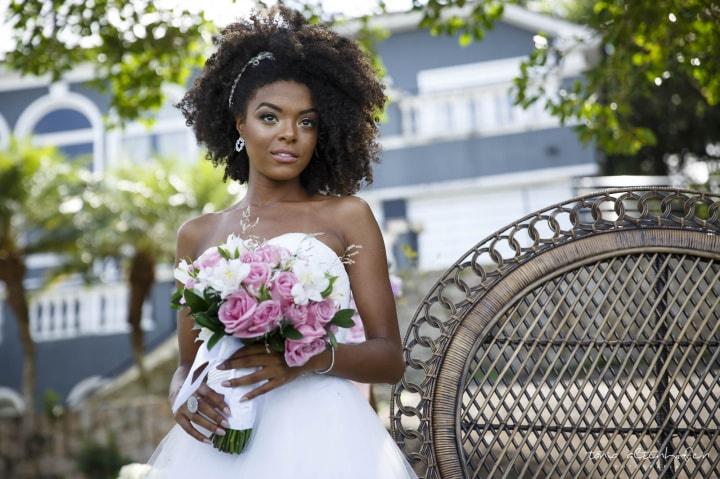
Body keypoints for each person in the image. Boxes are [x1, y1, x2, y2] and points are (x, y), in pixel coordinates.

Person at [146, 6, 418, 478]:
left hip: (326, 437)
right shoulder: (197, 234)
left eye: (307, 122)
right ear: (239, 124)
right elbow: (187, 363)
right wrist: (180, 397)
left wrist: (303, 358)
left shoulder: (346, 217)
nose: (289, 134)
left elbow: (389, 358)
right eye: (270, 117)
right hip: (219, 439)